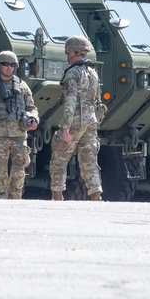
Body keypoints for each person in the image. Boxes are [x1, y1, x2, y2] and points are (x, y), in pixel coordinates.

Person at [0, 51, 39, 199]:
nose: (9, 68)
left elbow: (32, 108)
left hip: (20, 135)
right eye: (5, 64)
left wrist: (34, 119)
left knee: (19, 173)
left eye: (12, 65)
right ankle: (0, 202)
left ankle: (15, 201)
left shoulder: (23, 87)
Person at [50, 35, 104, 201]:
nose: (67, 55)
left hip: (75, 121)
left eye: (68, 52)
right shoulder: (93, 73)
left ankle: (57, 195)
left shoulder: (72, 73)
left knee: (59, 158)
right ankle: (96, 194)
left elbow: (70, 100)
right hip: (91, 122)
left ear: (73, 52)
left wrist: (65, 126)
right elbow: (98, 101)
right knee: (89, 161)